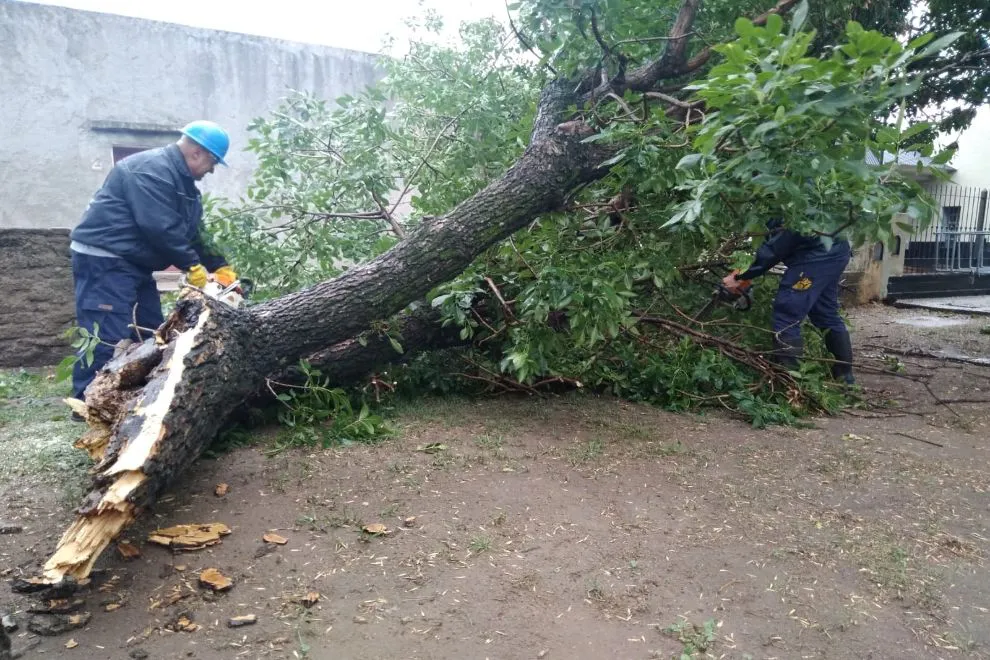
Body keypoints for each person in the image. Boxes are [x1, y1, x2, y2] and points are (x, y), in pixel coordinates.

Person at [68, 120, 238, 403]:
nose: (211, 170)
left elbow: (193, 232)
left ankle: (132, 397)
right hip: (105, 261)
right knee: (107, 333)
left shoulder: (182, 184)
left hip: (133, 263)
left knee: (149, 329)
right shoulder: (151, 170)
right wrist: (192, 266)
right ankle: (88, 403)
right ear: (197, 152)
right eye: (213, 162)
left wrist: (219, 265)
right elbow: (160, 227)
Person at [722, 219, 854, 384]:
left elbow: (776, 248)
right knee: (825, 313)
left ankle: (788, 380)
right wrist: (745, 273)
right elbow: (769, 241)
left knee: (787, 313)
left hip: (816, 257)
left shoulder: (785, 208)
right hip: (834, 252)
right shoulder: (788, 202)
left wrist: (739, 277)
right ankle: (844, 378)